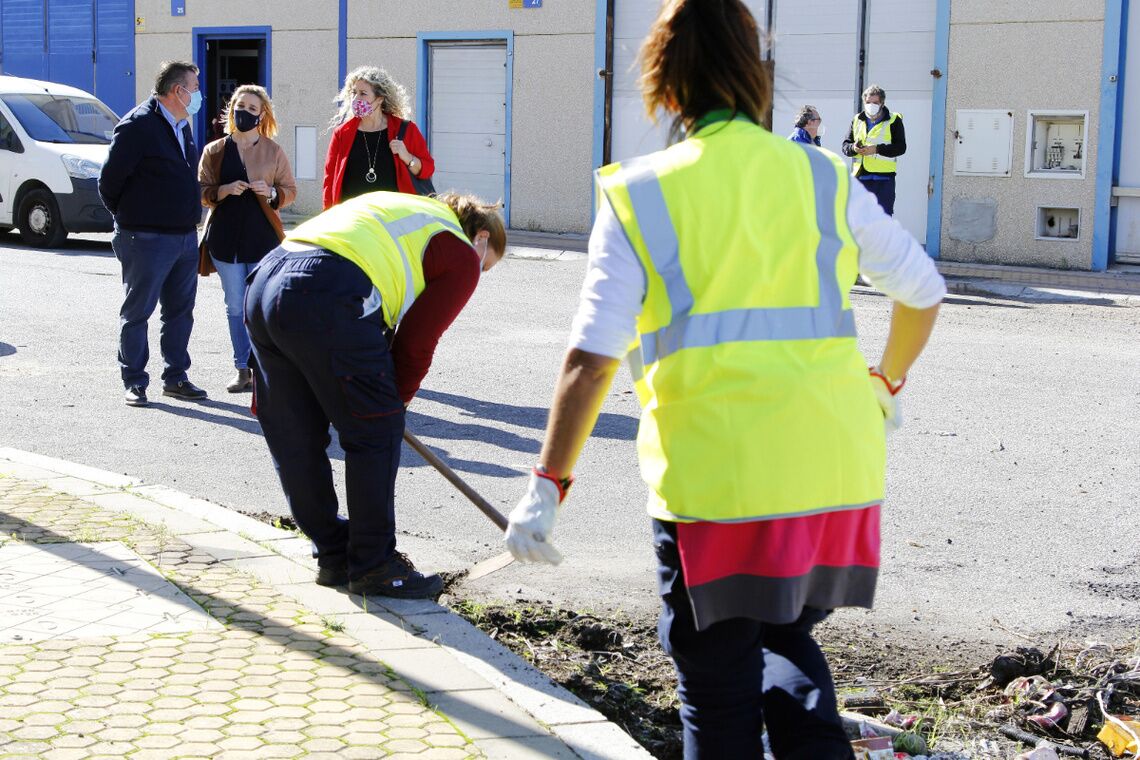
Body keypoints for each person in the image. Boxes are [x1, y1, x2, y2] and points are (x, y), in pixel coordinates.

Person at [502, 1, 944, 757]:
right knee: (786, 643)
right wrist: (886, 383)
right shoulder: (820, 174)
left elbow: (591, 358)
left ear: (665, 87)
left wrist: (549, 485)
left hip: (718, 486)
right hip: (832, 472)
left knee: (716, 688)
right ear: (757, 76)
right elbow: (923, 289)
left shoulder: (640, 191)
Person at [245, 190, 505, 599]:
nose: (479, 273)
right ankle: (374, 566)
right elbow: (416, 343)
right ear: (483, 240)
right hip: (326, 288)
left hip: (265, 281)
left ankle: (334, 555)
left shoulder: (405, 211)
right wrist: (392, 406)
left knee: (295, 433)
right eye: (486, 267)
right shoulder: (460, 252)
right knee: (376, 432)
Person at [99, 60, 209, 407]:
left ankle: (175, 377)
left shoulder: (182, 125)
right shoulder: (138, 125)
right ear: (178, 91)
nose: (198, 94)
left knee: (179, 312)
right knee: (138, 312)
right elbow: (108, 182)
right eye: (194, 87)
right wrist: (131, 219)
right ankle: (134, 379)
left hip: (183, 236)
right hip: (145, 237)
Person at [199, 84, 298, 393]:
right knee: (234, 305)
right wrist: (223, 191)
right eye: (240, 106)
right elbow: (202, 191)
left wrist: (270, 193)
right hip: (224, 241)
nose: (245, 112)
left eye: (252, 109)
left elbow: (290, 191)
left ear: (262, 115)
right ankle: (242, 369)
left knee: (260, 306)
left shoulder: (273, 151)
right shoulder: (215, 150)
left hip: (262, 239)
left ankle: (265, 368)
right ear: (232, 110)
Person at [322, 66, 435, 209]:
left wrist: (407, 157)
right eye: (353, 93)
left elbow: (428, 169)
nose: (356, 99)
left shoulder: (405, 130)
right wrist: (328, 215)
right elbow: (329, 180)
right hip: (353, 219)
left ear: (380, 99)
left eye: (363, 93)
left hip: (394, 219)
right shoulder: (342, 133)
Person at [842, 84, 907, 216]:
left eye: (875, 103)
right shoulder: (857, 120)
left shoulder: (894, 120)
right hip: (860, 178)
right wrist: (854, 148)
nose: (871, 105)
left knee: (883, 219)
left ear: (882, 103)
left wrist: (877, 149)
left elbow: (901, 147)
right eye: (868, 102)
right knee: (859, 219)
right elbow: (845, 146)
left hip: (884, 180)